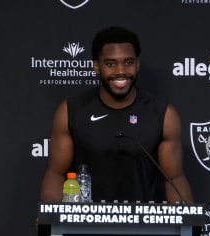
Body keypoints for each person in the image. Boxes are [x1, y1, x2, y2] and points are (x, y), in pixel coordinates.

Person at [40, 26, 194, 204]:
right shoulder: (71, 110)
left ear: (137, 64)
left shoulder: (163, 114)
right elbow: (56, 174)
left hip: (143, 226)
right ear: (96, 66)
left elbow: (174, 179)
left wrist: (187, 222)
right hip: (85, 225)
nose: (121, 71)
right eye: (111, 64)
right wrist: (50, 218)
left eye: (128, 62)